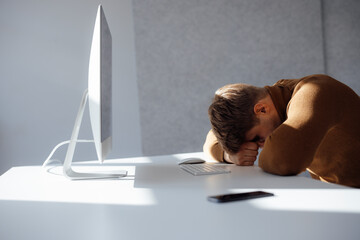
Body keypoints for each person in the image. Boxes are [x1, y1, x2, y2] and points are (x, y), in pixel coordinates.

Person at [203, 74, 360, 188]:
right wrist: (230, 154)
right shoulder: (273, 100)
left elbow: (283, 160)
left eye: (257, 138)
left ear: (262, 109)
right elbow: (211, 140)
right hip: (337, 197)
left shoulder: (314, 91)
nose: (261, 146)